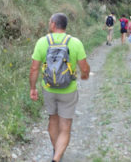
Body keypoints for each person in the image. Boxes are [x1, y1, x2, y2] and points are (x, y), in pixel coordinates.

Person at [29, 13, 90, 162]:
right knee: (65, 125)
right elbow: (84, 68)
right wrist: (84, 75)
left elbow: (34, 69)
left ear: (53, 25)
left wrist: (33, 88)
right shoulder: (75, 42)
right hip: (68, 90)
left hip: (48, 88)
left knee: (53, 120)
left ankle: (56, 150)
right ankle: (57, 158)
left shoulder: (42, 42)